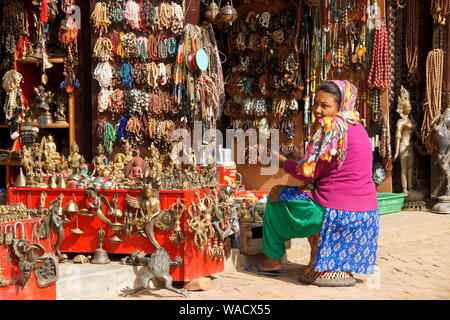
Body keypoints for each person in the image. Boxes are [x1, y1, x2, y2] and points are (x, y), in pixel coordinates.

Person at [246, 80, 379, 287]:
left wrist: (281, 161)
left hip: (333, 212)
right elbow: (327, 167)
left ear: (340, 106)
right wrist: (300, 157)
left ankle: (271, 261)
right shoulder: (357, 126)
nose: (318, 110)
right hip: (367, 212)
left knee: (276, 196)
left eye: (325, 106)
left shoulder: (331, 127)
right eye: (316, 103)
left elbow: (307, 174)